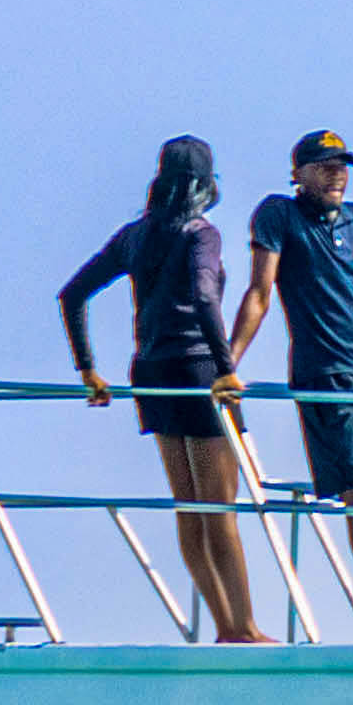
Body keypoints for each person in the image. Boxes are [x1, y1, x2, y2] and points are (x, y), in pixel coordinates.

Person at [54, 134, 265, 643]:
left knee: (189, 505)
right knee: (221, 508)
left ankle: (224, 627)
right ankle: (245, 628)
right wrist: (224, 369)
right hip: (196, 372)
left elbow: (73, 294)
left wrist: (88, 368)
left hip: (149, 373)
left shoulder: (134, 234)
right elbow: (202, 295)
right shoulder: (202, 235)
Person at [233, 129, 353, 640]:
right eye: (325, 166)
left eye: (343, 166)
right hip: (327, 376)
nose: (337, 174)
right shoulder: (279, 215)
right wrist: (228, 364)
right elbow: (260, 292)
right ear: (299, 173)